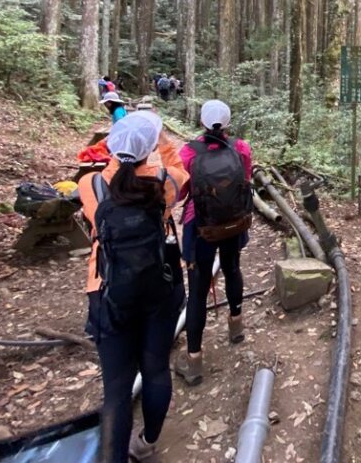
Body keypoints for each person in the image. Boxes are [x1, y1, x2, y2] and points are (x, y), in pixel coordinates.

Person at [77, 114, 187, 462]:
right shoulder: (163, 182)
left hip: (107, 289)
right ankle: (147, 442)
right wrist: (163, 143)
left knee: (116, 390)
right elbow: (183, 173)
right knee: (156, 368)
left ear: (112, 147)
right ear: (149, 148)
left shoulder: (91, 185)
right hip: (159, 284)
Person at [174, 100, 252, 387]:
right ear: (228, 122)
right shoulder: (240, 148)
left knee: (197, 287)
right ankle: (236, 326)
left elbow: (181, 192)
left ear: (202, 122)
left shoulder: (188, 152)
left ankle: (194, 360)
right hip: (233, 221)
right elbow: (245, 179)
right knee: (232, 268)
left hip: (200, 226)